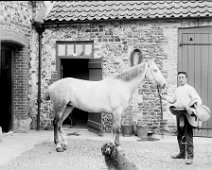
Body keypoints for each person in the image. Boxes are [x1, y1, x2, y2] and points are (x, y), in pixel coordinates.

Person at [160, 71, 202, 165]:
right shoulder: (178, 89)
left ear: (186, 78)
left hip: (187, 114)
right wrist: (164, 97)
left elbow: (197, 100)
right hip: (179, 114)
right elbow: (173, 100)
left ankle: (190, 156)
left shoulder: (190, 89)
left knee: (188, 135)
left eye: (182, 77)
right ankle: (182, 153)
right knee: (180, 134)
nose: (181, 79)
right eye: (179, 77)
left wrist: (188, 105)